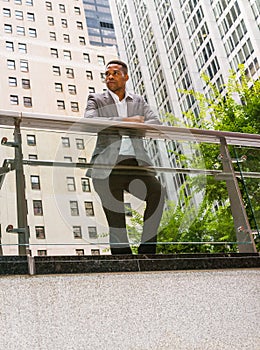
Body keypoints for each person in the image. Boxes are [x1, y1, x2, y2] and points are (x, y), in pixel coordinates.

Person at [84, 60, 165, 255]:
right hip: (107, 165)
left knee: (158, 194)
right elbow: (90, 121)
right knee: (116, 218)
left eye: (115, 73)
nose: (109, 77)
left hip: (136, 164)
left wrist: (119, 123)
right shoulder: (96, 99)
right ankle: (123, 260)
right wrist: (129, 121)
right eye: (107, 74)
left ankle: (147, 250)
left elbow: (155, 122)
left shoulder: (138, 101)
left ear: (125, 77)